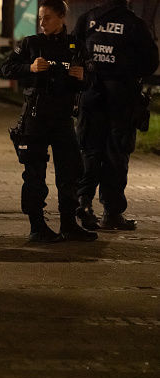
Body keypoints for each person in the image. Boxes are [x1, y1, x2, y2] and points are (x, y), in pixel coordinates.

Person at [1, 0, 98, 243]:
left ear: (62, 18)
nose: (42, 23)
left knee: (69, 173)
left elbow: (91, 80)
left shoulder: (74, 46)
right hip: (36, 118)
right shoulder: (31, 43)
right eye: (40, 18)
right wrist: (29, 67)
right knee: (34, 174)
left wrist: (83, 76)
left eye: (48, 18)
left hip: (63, 119)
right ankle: (37, 226)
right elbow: (6, 68)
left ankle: (69, 224)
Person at [72, 0, 159, 231]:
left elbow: (73, 50)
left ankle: (84, 205)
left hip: (91, 96)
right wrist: (129, 74)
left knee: (89, 151)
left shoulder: (88, 19)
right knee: (116, 155)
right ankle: (111, 214)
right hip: (122, 100)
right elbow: (151, 61)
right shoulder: (134, 24)